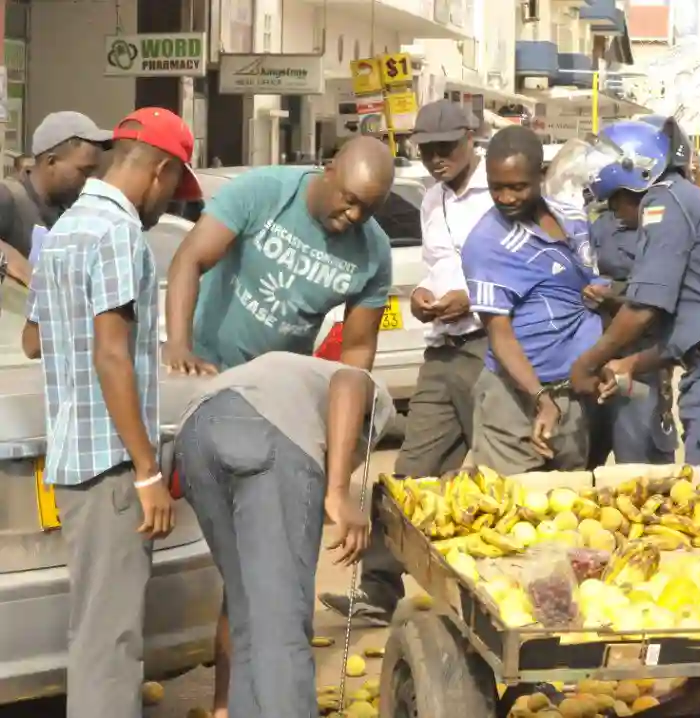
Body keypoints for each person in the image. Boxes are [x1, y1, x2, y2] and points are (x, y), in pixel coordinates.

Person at [163, 135, 395, 716]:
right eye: (347, 199)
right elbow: (190, 257)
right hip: (207, 390)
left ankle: (228, 706)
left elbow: (356, 357)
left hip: (279, 407)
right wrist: (180, 347)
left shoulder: (373, 252)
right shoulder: (265, 192)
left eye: (368, 207)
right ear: (329, 168)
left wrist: (335, 456)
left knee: (247, 592)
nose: (353, 215)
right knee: (259, 595)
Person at [21, 107, 201, 718]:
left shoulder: (67, 226)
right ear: (160, 171)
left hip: (72, 455)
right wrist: (148, 472)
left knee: (96, 627)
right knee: (112, 640)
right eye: (175, 184)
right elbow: (112, 357)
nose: (170, 199)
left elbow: (33, 340)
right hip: (112, 469)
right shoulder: (119, 232)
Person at [331, 99, 492, 625]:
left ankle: (495, 606)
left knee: (497, 481)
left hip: (493, 347)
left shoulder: (501, 189)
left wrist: (474, 298)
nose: (436, 158)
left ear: (472, 137)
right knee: (409, 476)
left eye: (446, 147)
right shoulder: (430, 198)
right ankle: (378, 588)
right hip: (443, 347)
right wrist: (425, 295)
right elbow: (437, 266)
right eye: (427, 149)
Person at [175, 352, 394, 718]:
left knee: (247, 615)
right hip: (264, 433)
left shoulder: (288, 372)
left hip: (195, 436)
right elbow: (352, 381)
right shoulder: (375, 399)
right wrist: (338, 491)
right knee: (282, 625)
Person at [570, 118, 700, 487]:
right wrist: (632, 362)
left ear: (635, 174)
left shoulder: (664, 201)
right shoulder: (678, 198)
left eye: (616, 199)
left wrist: (588, 363)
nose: (614, 212)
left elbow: (643, 307)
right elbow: (696, 324)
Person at [462, 125, 602, 474]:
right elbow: (499, 333)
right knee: (515, 512)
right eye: (497, 188)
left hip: (574, 397)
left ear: (541, 176)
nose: (506, 198)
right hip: (515, 401)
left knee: (571, 514)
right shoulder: (486, 243)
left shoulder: (573, 219)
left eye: (518, 187)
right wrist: (540, 397)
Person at [584, 207, 677, 468]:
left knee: (642, 470)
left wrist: (617, 295)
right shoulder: (596, 221)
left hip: (641, 358)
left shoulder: (666, 221)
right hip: (594, 352)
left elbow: (662, 294)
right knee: (582, 467)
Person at [0, 112, 112, 284]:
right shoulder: (9, 197)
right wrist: (20, 268)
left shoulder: (68, 212)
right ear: (51, 162)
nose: (91, 180)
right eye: (84, 171)